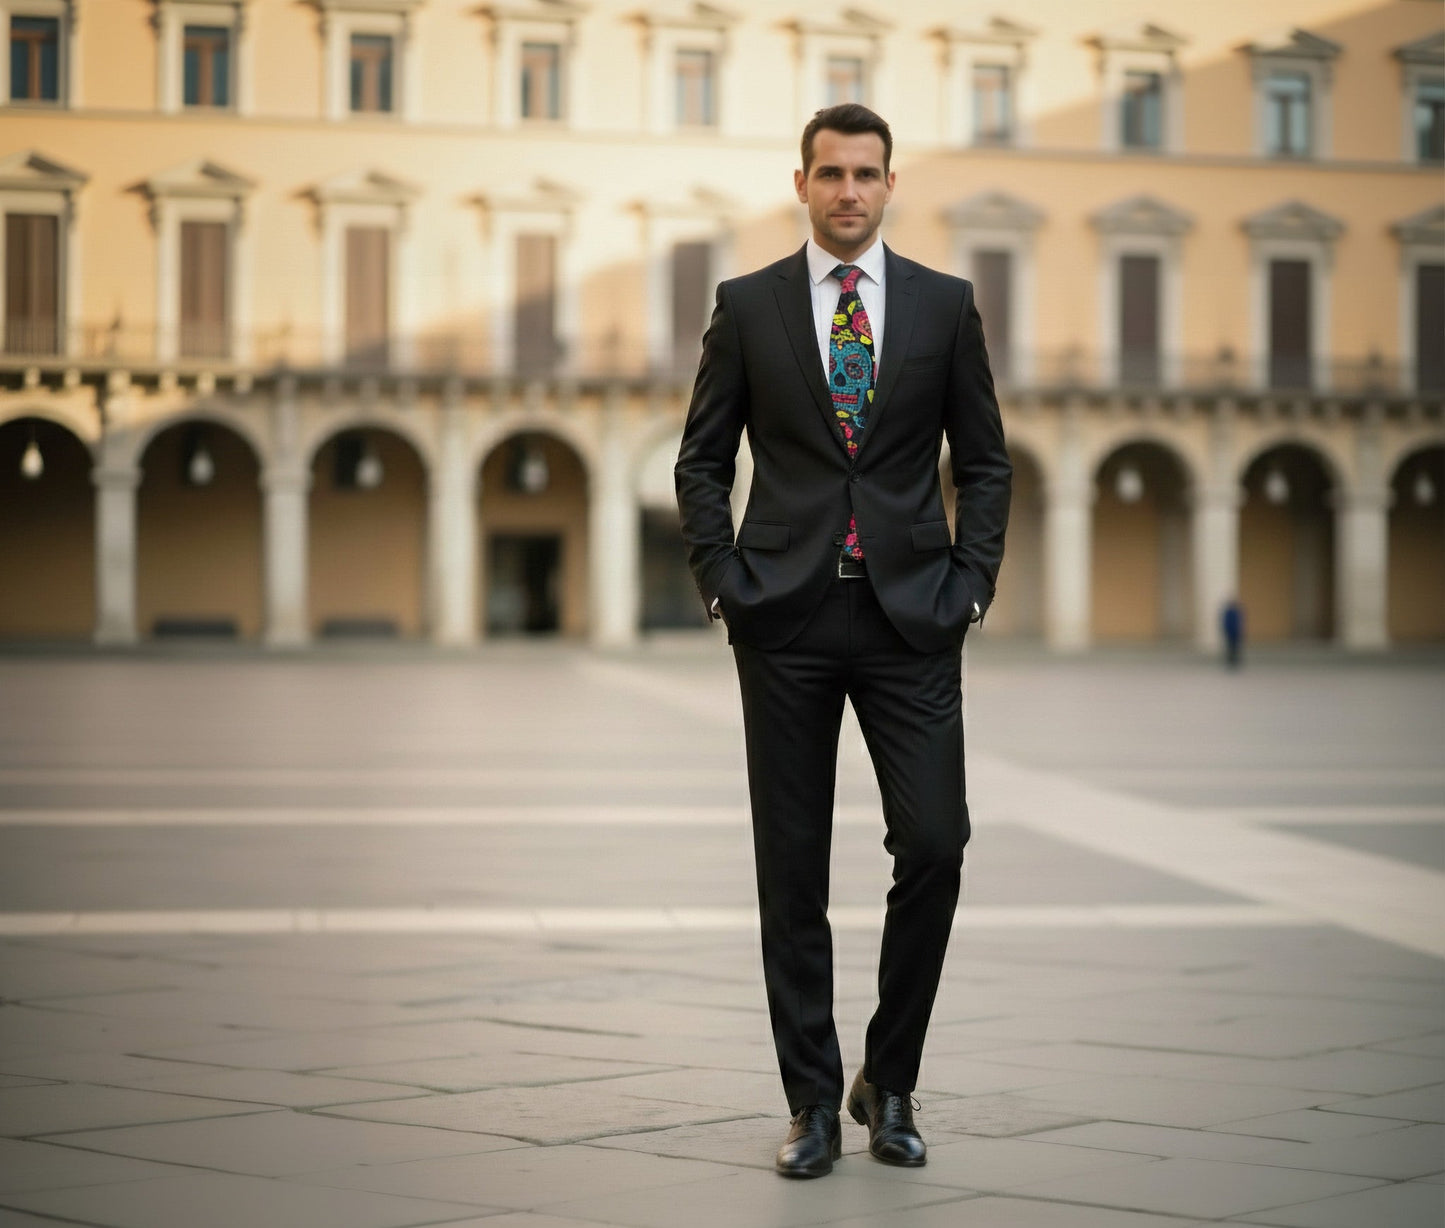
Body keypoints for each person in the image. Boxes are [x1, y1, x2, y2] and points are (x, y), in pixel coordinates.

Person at [674, 103, 1011, 1179]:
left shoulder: (945, 308)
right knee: (791, 870)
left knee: (936, 843)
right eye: (831, 173)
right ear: (801, 183)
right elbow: (700, 461)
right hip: (785, 616)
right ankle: (812, 1103)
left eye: (866, 174)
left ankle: (890, 1078)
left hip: (913, 614)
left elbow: (986, 462)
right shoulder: (747, 306)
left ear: (889, 184)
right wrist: (724, 582)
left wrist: (969, 584)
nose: (849, 191)